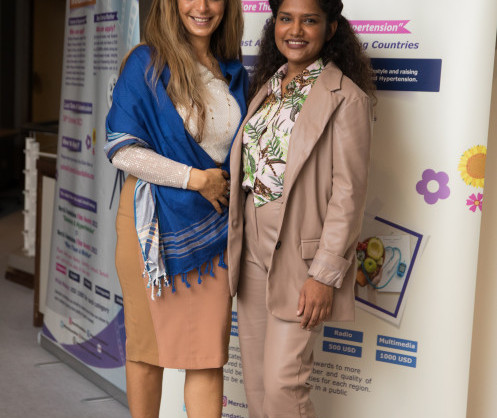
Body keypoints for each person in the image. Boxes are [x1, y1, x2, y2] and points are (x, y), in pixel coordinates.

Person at [227, 0, 374, 416]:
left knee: (283, 387)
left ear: (330, 29)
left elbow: (348, 194)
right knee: (256, 386)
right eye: (286, 19)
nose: (295, 30)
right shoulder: (267, 86)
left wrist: (324, 275)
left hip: (300, 253)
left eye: (309, 20)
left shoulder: (347, 98)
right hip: (251, 246)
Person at [104, 0, 247, 416]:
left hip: (213, 227)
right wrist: (196, 179)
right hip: (151, 227)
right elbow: (122, 150)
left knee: (207, 354)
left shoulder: (233, 72)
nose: (202, 7)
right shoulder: (146, 64)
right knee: (146, 349)